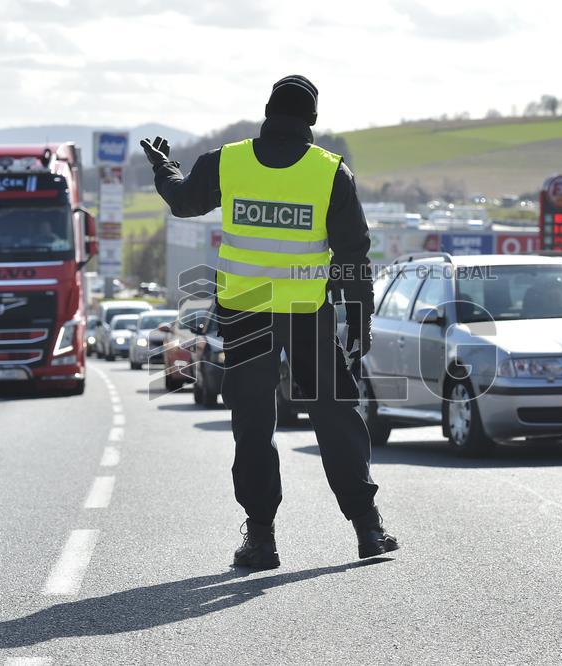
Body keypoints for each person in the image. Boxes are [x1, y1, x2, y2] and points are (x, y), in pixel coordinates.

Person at [141, 74, 398, 569]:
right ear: (313, 121)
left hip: (245, 313)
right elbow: (352, 253)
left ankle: (260, 540)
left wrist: (166, 169)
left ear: (266, 111)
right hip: (307, 315)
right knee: (335, 416)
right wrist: (359, 317)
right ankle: (369, 529)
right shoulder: (331, 173)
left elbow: (184, 201)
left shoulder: (228, 161)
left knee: (254, 424)